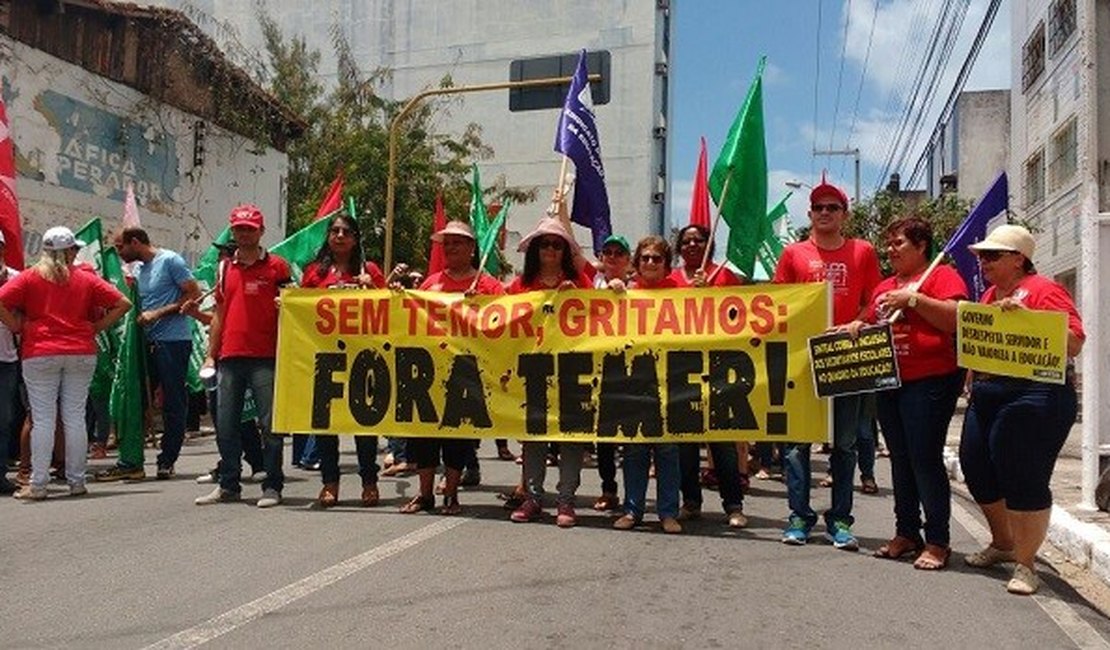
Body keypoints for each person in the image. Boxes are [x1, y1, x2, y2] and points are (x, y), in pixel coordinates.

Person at [959, 224, 1084, 595]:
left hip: (1036, 392)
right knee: (975, 464)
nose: (983, 263)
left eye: (992, 256)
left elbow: (1075, 342)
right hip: (988, 391)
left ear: (1019, 259)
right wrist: (971, 375)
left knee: (1022, 473)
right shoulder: (988, 296)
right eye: (982, 257)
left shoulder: (1046, 290)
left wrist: (1026, 315)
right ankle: (1003, 543)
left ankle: (1026, 564)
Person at [843, 217, 968, 570]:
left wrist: (914, 300)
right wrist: (856, 325)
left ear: (921, 246)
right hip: (890, 382)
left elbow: (956, 318)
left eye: (898, 243)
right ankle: (906, 531)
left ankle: (938, 540)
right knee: (900, 458)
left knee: (924, 458)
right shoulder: (885, 286)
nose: (890, 250)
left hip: (931, 381)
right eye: (889, 243)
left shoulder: (942, 277)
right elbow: (868, 322)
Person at [773, 177, 881, 549]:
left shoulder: (863, 251)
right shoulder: (793, 254)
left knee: (846, 444)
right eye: (818, 207)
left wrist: (859, 322)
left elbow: (875, 301)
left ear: (844, 214)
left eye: (832, 207)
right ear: (810, 214)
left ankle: (840, 520)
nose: (824, 213)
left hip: (845, 358)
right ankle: (799, 515)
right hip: (802, 361)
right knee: (796, 444)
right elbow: (779, 302)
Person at [0, 226, 131, 500]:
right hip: (80, 350)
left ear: (46, 250)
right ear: (70, 251)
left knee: (43, 418)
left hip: (40, 351)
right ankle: (76, 480)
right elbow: (123, 303)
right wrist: (96, 327)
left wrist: (15, 325)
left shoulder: (30, 277)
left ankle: (38, 484)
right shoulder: (84, 278)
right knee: (74, 416)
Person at [399, 220, 504, 515]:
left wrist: (480, 309)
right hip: (430, 368)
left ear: (472, 248)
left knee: (458, 435)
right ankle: (424, 494)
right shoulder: (430, 284)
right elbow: (411, 318)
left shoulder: (489, 286)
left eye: (458, 242)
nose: (451, 247)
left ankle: (452, 495)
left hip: (468, 369)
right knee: (424, 432)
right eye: (447, 243)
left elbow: (508, 324)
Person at [195, 204, 291, 508]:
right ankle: (229, 484)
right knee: (225, 423)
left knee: (269, 425)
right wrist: (212, 355)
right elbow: (219, 314)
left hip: (266, 356)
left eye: (250, 228)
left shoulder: (278, 267)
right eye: (239, 228)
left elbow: (292, 309)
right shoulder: (224, 267)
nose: (244, 233)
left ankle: (272, 485)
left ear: (261, 231)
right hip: (229, 356)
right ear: (233, 231)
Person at [94, 227, 200, 481]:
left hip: (173, 341)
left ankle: (167, 460)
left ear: (135, 242)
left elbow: (192, 293)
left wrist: (158, 313)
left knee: (173, 403)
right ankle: (132, 460)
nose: (119, 253)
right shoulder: (139, 270)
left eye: (121, 247)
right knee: (136, 399)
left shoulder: (171, 261)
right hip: (146, 343)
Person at [507, 216, 593, 527]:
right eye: (545, 244)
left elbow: (604, 315)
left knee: (570, 437)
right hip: (533, 371)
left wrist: (579, 299)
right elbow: (496, 321)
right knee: (534, 437)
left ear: (565, 251)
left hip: (572, 370)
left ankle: (566, 501)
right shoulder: (519, 286)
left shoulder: (581, 284)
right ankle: (533, 497)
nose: (551, 249)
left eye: (557, 244)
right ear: (535, 250)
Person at [301, 212, 386, 508]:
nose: (339, 236)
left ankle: (369, 482)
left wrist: (373, 289)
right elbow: (301, 310)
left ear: (355, 238)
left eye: (346, 232)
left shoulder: (370, 270)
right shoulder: (314, 273)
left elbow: (390, 311)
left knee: (365, 424)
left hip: (362, 357)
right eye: (334, 231)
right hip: (326, 357)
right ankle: (329, 482)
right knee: (326, 425)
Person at [670, 224, 749, 529]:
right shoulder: (671, 280)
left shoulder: (724, 277)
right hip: (680, 368)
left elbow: (739, 318)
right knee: (685, 445)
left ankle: (733, 504)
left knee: (722, 443)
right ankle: (691, 502)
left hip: (718, 368)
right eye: (686, 241)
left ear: (709, 245)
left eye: (698, 240)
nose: (692, 245)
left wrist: (710, 295)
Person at [609, 235, 683, 534]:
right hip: (634, 382)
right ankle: (632, 510)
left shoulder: (683, 293)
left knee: (668, 452)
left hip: (671, 383)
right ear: (636, 263)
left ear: (667, 265)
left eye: (657, 258)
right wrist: (614, 291)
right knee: (634, 451)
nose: (650, 263)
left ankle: (668, 513)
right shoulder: (626, 293)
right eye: (645, 258)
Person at [181, 241, 266, 487]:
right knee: (228, 417)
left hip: (238, 355)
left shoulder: (239, 279)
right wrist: (196, 315)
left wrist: (198, 315)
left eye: (222, 256)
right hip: (221, 355)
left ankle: (251, 465)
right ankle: (235, 466)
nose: (218, 260)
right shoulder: (223, 281)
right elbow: (218, 319)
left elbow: (227, 320)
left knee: (236, 415)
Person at [591, 233, 632, 512]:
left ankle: (634, 495)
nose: (613, 257)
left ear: (629, 261)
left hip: (633, 371)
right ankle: (609, 489)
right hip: (599, 371)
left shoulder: (641, 287)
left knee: (633, 440)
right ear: (602, 259)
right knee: (603, 439)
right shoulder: (590, 285)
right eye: (608, 252)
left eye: (619, 253)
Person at [0, 231, 20, 495]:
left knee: (3, 420)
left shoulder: (15, 278)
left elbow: (24, 316)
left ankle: (0, 474)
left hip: (6, 359)